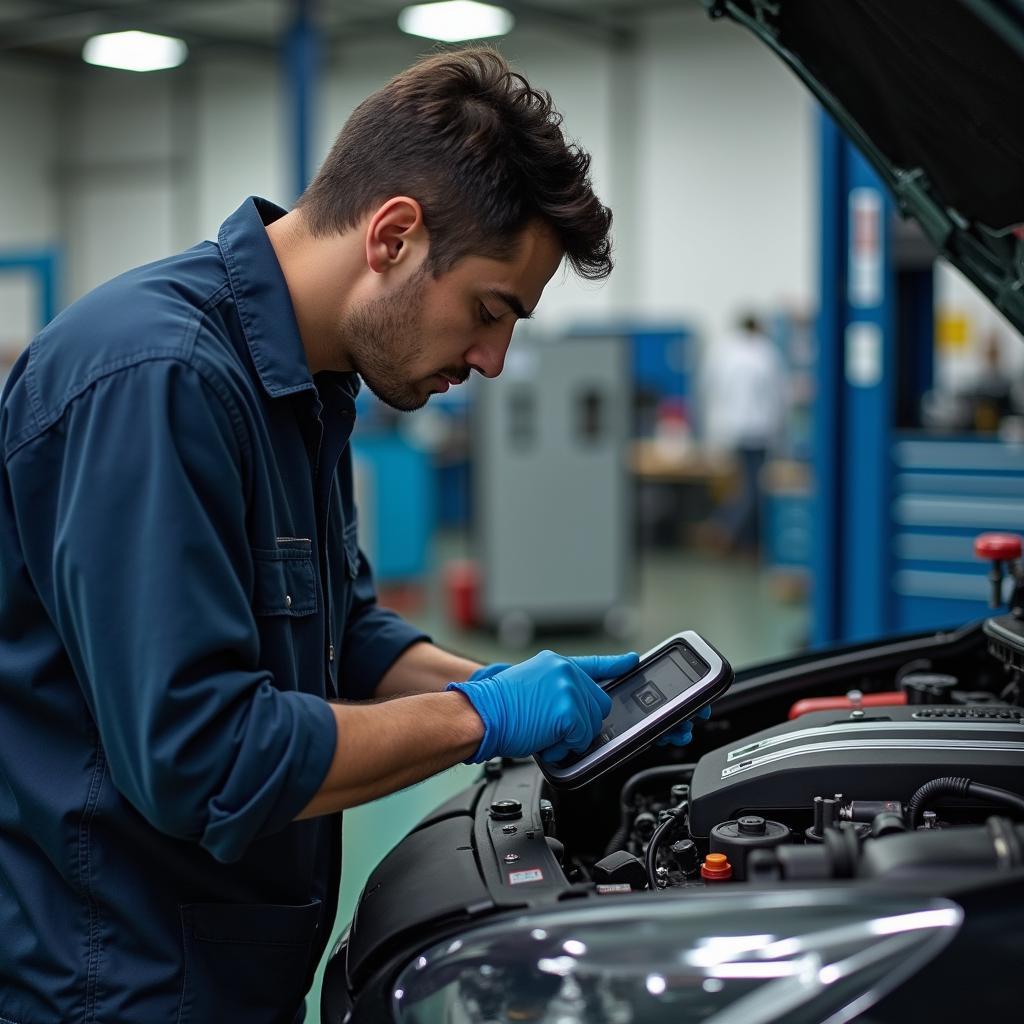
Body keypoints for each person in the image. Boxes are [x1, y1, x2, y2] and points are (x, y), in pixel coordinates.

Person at [0, 49, 705, 1023]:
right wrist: (482, 721)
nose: (494, 362)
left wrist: (521, 690)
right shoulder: (157, 379)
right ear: (395, 235)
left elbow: (346, 635)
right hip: (116, 980)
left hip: (220, 966)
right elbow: (205, 758)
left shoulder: (308, 380)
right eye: (489, 310)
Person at [700, 313, 786, 553]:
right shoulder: (766, 352)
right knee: (752, 491)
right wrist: (780, 433)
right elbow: (778, 395)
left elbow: (708, 389)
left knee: (744, 488)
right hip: (759, 431)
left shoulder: (722, 351)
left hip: (730, 429)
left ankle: (744, 540)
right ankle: (725, 528)